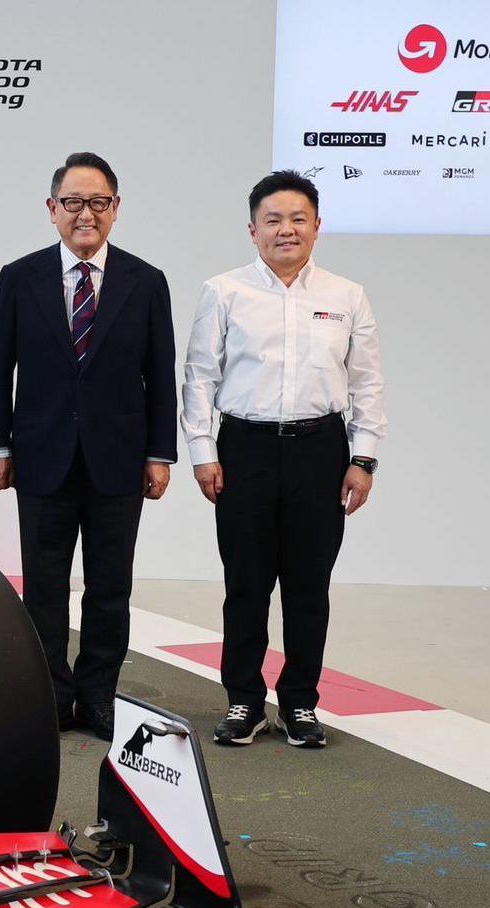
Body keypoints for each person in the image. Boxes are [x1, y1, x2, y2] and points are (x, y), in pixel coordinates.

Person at [181, 170, 388, 749]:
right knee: (244, 584)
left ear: (318, 227)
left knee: (307, 587)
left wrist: (363, 458)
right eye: (273, 220)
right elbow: (200, 377)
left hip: (322, 451)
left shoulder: (346, 297)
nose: (286, 230)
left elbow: (367, 383)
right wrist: (203, 452)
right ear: (252, 230)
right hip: (242, 450)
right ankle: (243, 700)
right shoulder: (224, 291)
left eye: (298, 218)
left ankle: (300, 703)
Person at [0, 152, 177, 741]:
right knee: (43, 587)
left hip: (119, 459)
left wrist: (159, 455)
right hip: (41, 457)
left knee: (110, 587)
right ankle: (51, 694)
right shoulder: (20, 277)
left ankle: (97, 696)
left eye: (98, 203)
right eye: (73, 203)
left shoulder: (146, 281)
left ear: (115, 209)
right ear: (52, 210)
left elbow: (160, 374)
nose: (85, 214)